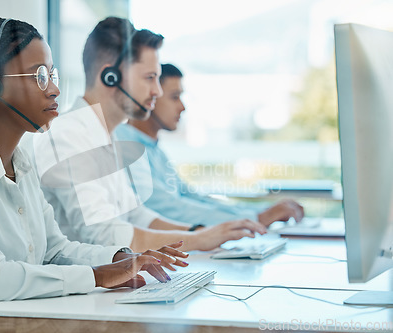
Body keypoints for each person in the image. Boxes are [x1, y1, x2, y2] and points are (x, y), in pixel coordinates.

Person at [0, 18, 187, 333]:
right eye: (40, 76)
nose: (55, 89)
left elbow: (54, 249)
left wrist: (122, 257)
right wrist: (99, 275)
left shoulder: (20, 161)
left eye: (52, 74)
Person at [30, 17, 268, 254]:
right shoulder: (67, 136)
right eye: (149, 78)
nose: (158, 91)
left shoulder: (106, 136)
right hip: (83, 283)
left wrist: (199, 232)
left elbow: (136, 215)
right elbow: (102, 233)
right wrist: (198, 240)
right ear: (110, 76)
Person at [114, 63, 304, 226]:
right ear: (149, 97)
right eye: (174, 97)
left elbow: (192, 198)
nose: (182, 107)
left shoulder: (154, 149)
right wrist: (256, 218)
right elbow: (169, 208)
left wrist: (260, 212)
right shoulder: (126, 146)